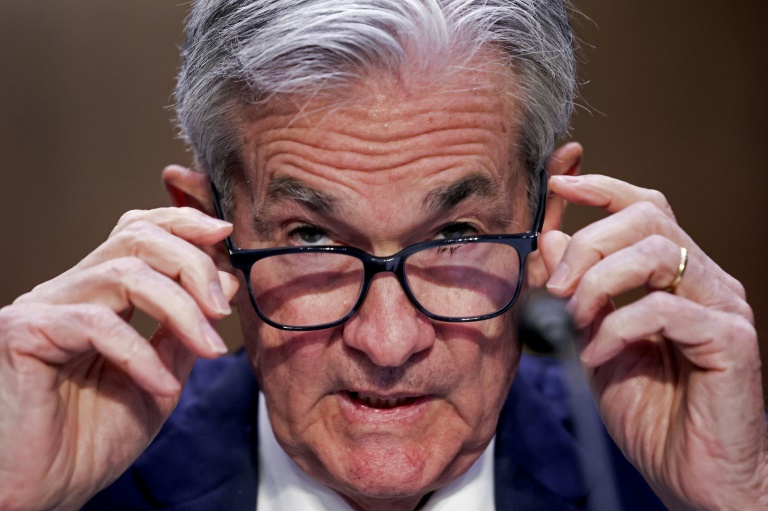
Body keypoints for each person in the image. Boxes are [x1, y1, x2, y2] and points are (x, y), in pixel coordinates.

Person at [0, 1, 765, 510]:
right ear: (209, 230)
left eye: (456, 234)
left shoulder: (658, 481)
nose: (389, 342)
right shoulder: (80, 484)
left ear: (544, 222)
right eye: (312, 239)